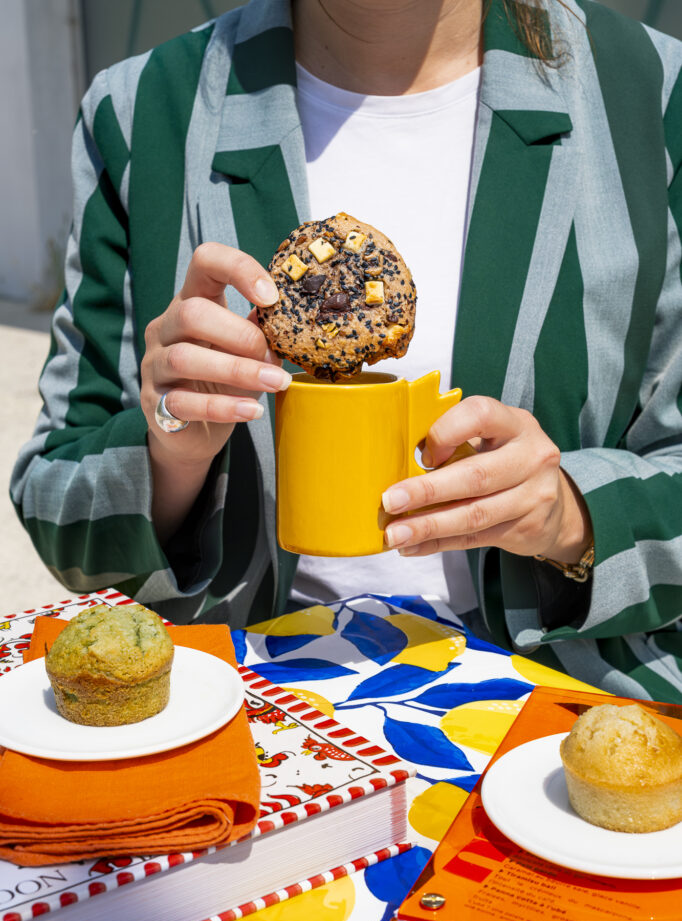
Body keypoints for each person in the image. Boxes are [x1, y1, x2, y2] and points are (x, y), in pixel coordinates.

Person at [10, 0, 682, 699]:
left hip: (552, 711)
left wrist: (573, 515)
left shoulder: (650, 96)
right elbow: (56, 510)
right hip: (254, 714)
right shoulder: (142, 113)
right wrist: (169, 451)